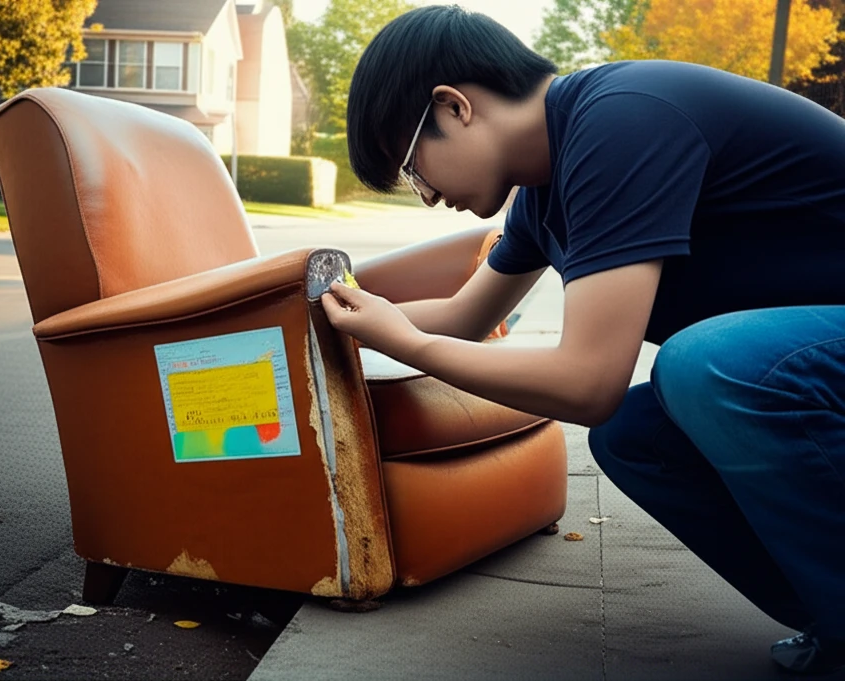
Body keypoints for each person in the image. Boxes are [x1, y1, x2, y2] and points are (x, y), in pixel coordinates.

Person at [320, 4, 845, 676]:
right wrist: (336, 316)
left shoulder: (621, 119)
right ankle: (831, 613)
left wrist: (407, 344)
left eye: (413, 169)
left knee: (705, 366)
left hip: (805, 356)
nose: (425, 196)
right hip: (818, 357)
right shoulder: (544, 192)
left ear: (453, 107)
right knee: (634, 436)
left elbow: (588, 382)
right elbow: (460, 317)